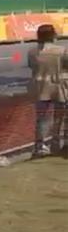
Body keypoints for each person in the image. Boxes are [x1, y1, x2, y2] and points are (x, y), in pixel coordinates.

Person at [28, 24, 68, 157]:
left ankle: (40, 147)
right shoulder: (62, 51)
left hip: (40, 88)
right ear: (53, 35)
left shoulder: (33, 52)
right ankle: (57, 144)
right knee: (60, 117)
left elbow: (32, 66)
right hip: (59, 86)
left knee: (42, 118)